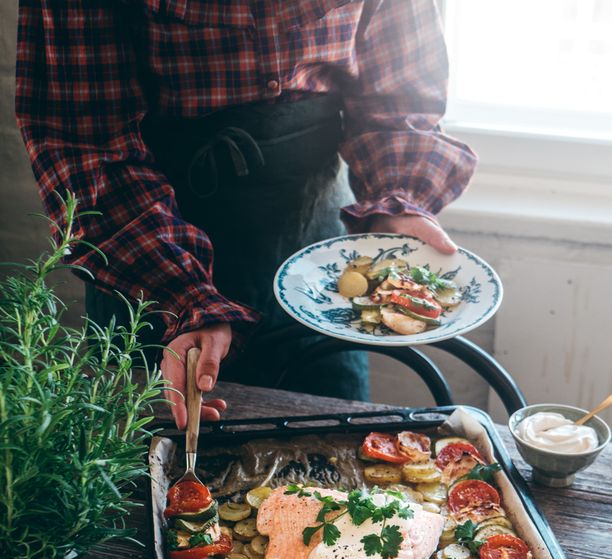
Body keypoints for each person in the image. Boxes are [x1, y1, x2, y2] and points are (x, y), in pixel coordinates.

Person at [16, 0, 476, 428]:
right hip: (146, 257)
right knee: (151, 482)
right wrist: (183, 296)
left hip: (314, 259)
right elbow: (84, 142)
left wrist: (395, 202)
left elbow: (397, 100)